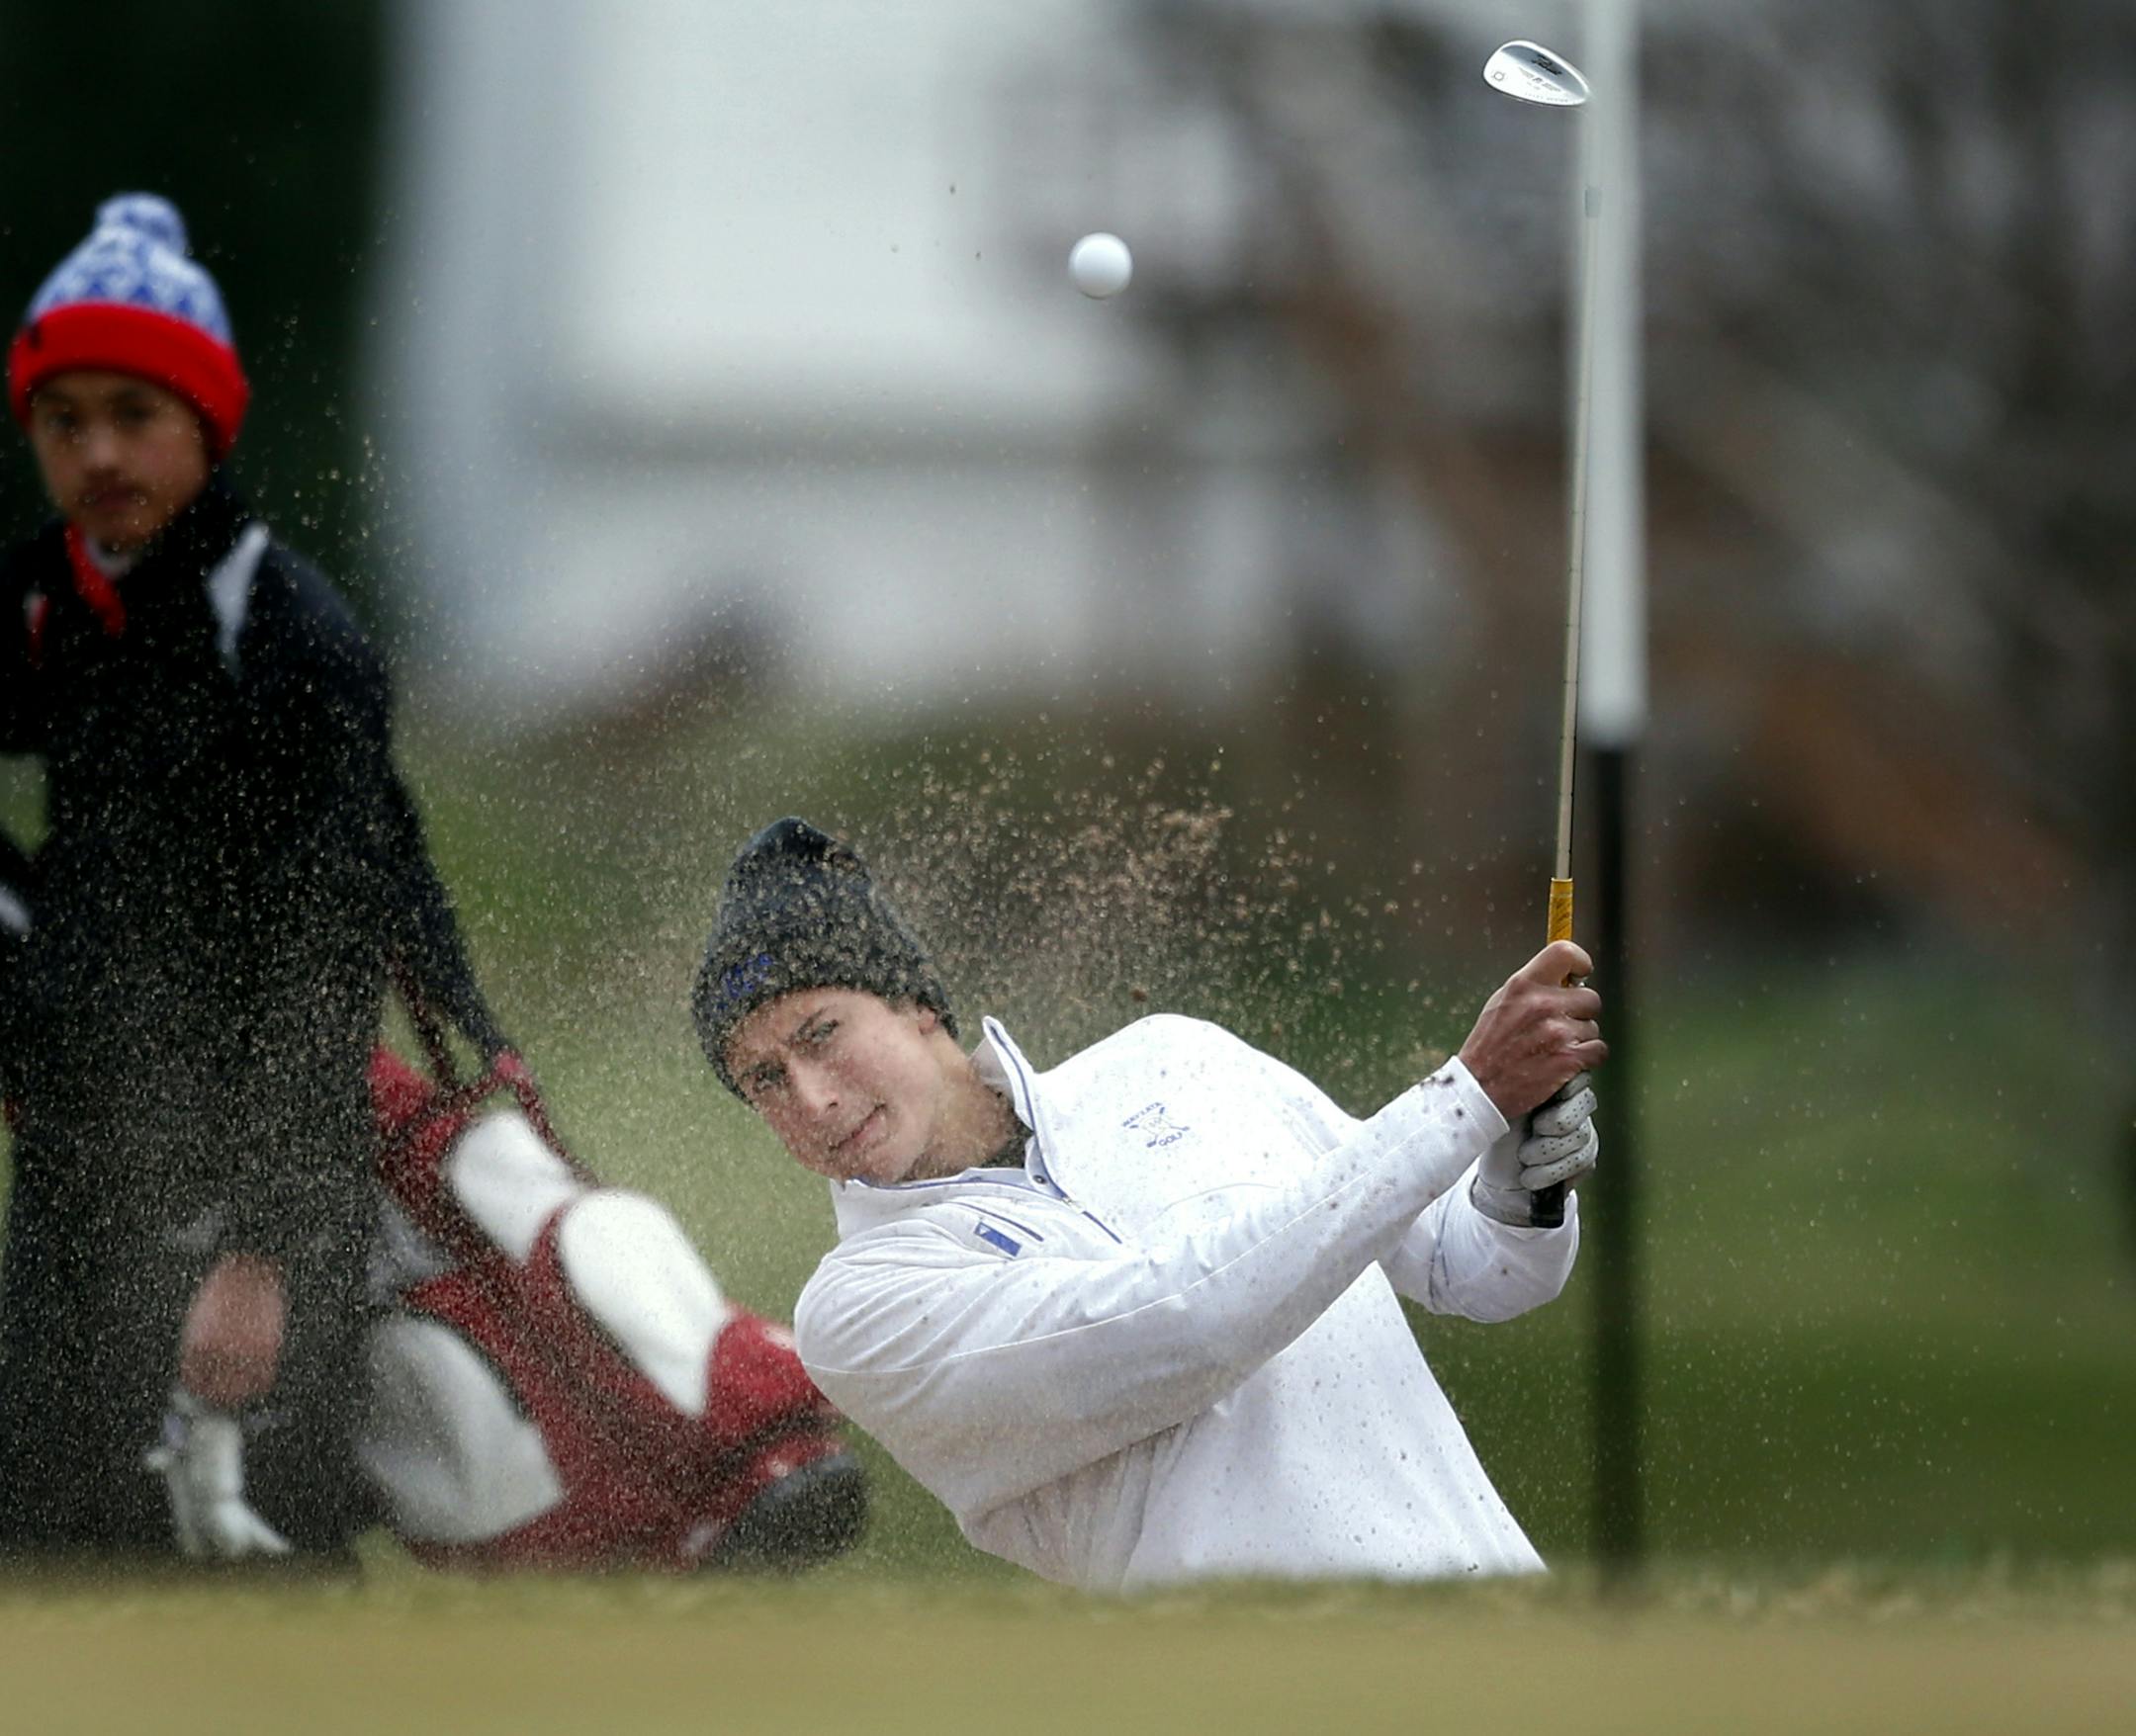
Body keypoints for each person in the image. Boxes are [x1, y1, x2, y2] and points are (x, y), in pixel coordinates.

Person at [690, 818, 1605, 1592]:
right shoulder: (860, 1310)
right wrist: (1463, 1099)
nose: (811, 1100)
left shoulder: (1173, 1058)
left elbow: (1472, 1268)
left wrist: (1516, 1176)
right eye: (764, 1079)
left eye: (821, 1036)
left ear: (915, 1004)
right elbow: (1183, 1324)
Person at [0, 195, 512, 1562]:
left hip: (255, 1173)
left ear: (206, 425)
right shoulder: (52, 599)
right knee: (48, 1553)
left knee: (250, 1570)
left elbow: (324, 968)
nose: (98, 452)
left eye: (133, 412)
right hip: (75, 1158)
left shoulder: (293, 640)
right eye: (64, 420)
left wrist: (268, 1261)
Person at [356, 1047, 868, 1573]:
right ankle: (728, 1423)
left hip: (529, 1510)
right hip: (530, 1504)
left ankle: (728, 1423)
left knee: (584, 1227)